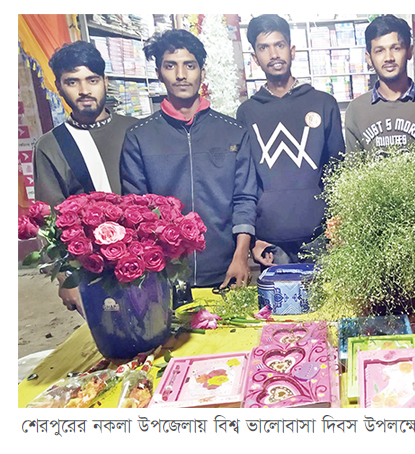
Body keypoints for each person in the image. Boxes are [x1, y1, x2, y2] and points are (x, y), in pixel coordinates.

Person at [120, 29, 258, 289]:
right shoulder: (139, 137)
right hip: (164, 276)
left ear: (202, 72)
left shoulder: (233, 132)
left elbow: (244, 198)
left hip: (226, 271)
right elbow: (136, 211)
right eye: (170, 66)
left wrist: (241, 256)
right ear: (159, 73)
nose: (181, 75)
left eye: (190, 65)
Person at [33, 40, 138, 313]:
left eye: (92, 80)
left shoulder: (137, 130)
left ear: (105, 81)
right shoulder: (51, 146)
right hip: (93, 271)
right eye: (72, 82)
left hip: (148, 261)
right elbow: (48, 220)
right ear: (59, 87)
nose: (84, 90)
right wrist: (63, 276)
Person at [237, 14, 345, 267]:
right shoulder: (247, 112)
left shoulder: (323, 103)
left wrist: (339, 226)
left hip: (322, 238)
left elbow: (338, 172)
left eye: (280, 45)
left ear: (292, 50)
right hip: (269, 243)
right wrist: (254, 239)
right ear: (255, 58)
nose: (274, 54)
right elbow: (246, 182)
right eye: (264, 47)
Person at [344, 14, 415, 153]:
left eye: (396, 48)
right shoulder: (356, 110)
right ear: (369, 58)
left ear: (409, 52)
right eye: (379, 51)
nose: (388, 58)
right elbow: (353, 166)